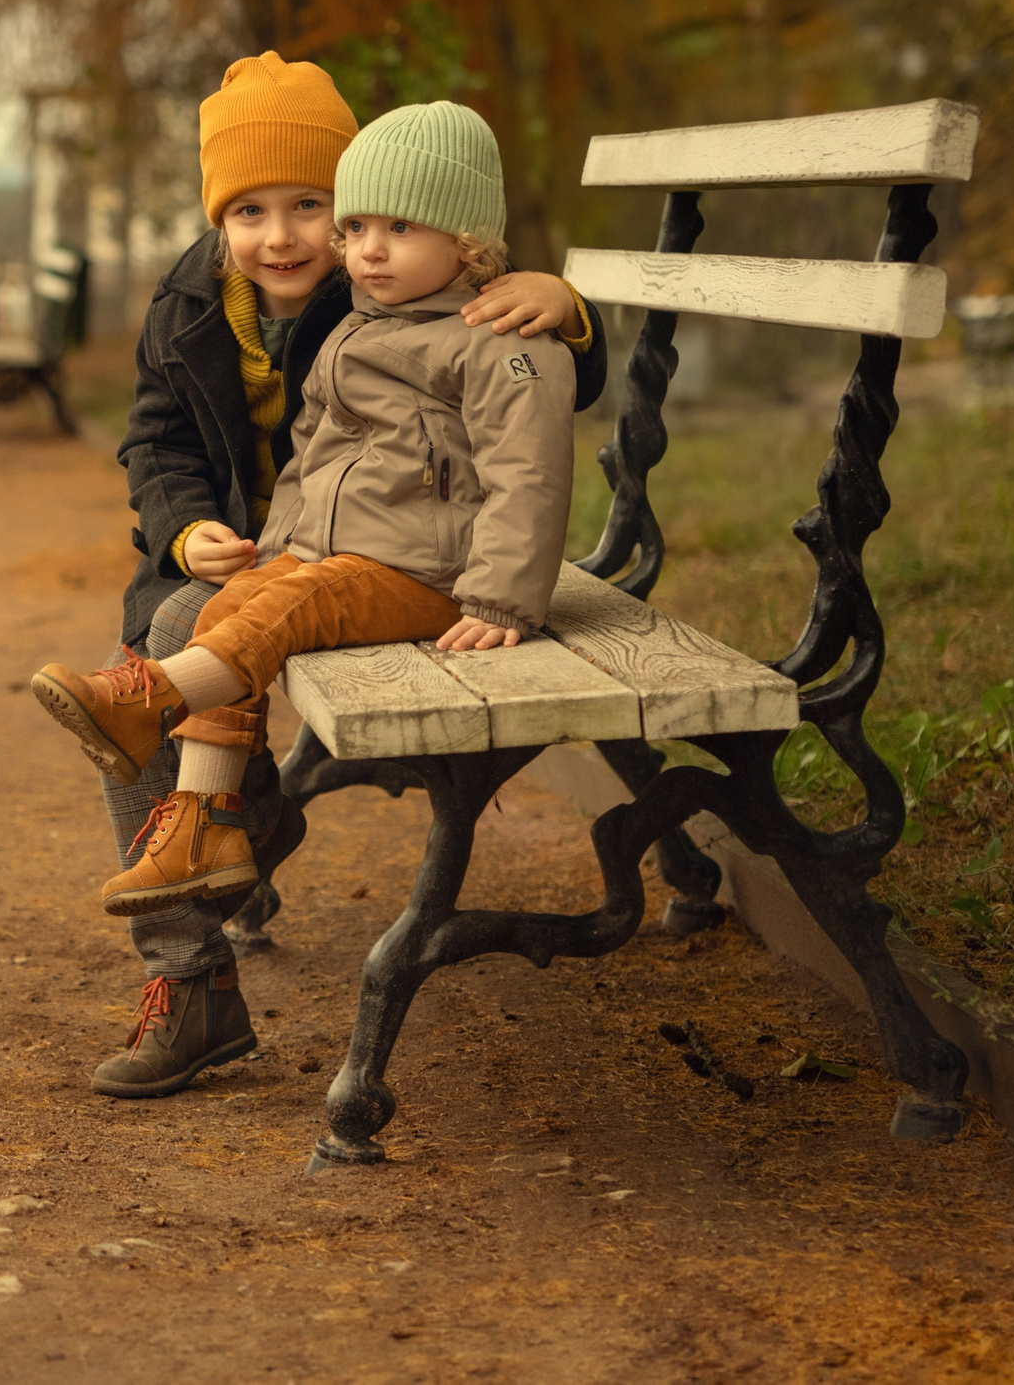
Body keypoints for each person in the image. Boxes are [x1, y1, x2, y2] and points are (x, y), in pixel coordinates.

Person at [46, 82, 605, 1098]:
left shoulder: (391, 283)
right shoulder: (193, 303)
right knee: (172, 622)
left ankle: (223, 806)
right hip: (259, 550)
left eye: (313, 205)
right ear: (216, 222)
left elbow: (529, 398)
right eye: (248, 212)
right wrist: (185, 530)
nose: (289, 238)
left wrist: (570, 307)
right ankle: (194, 966)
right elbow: (157, 440)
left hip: (389, 560)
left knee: (165, 662)